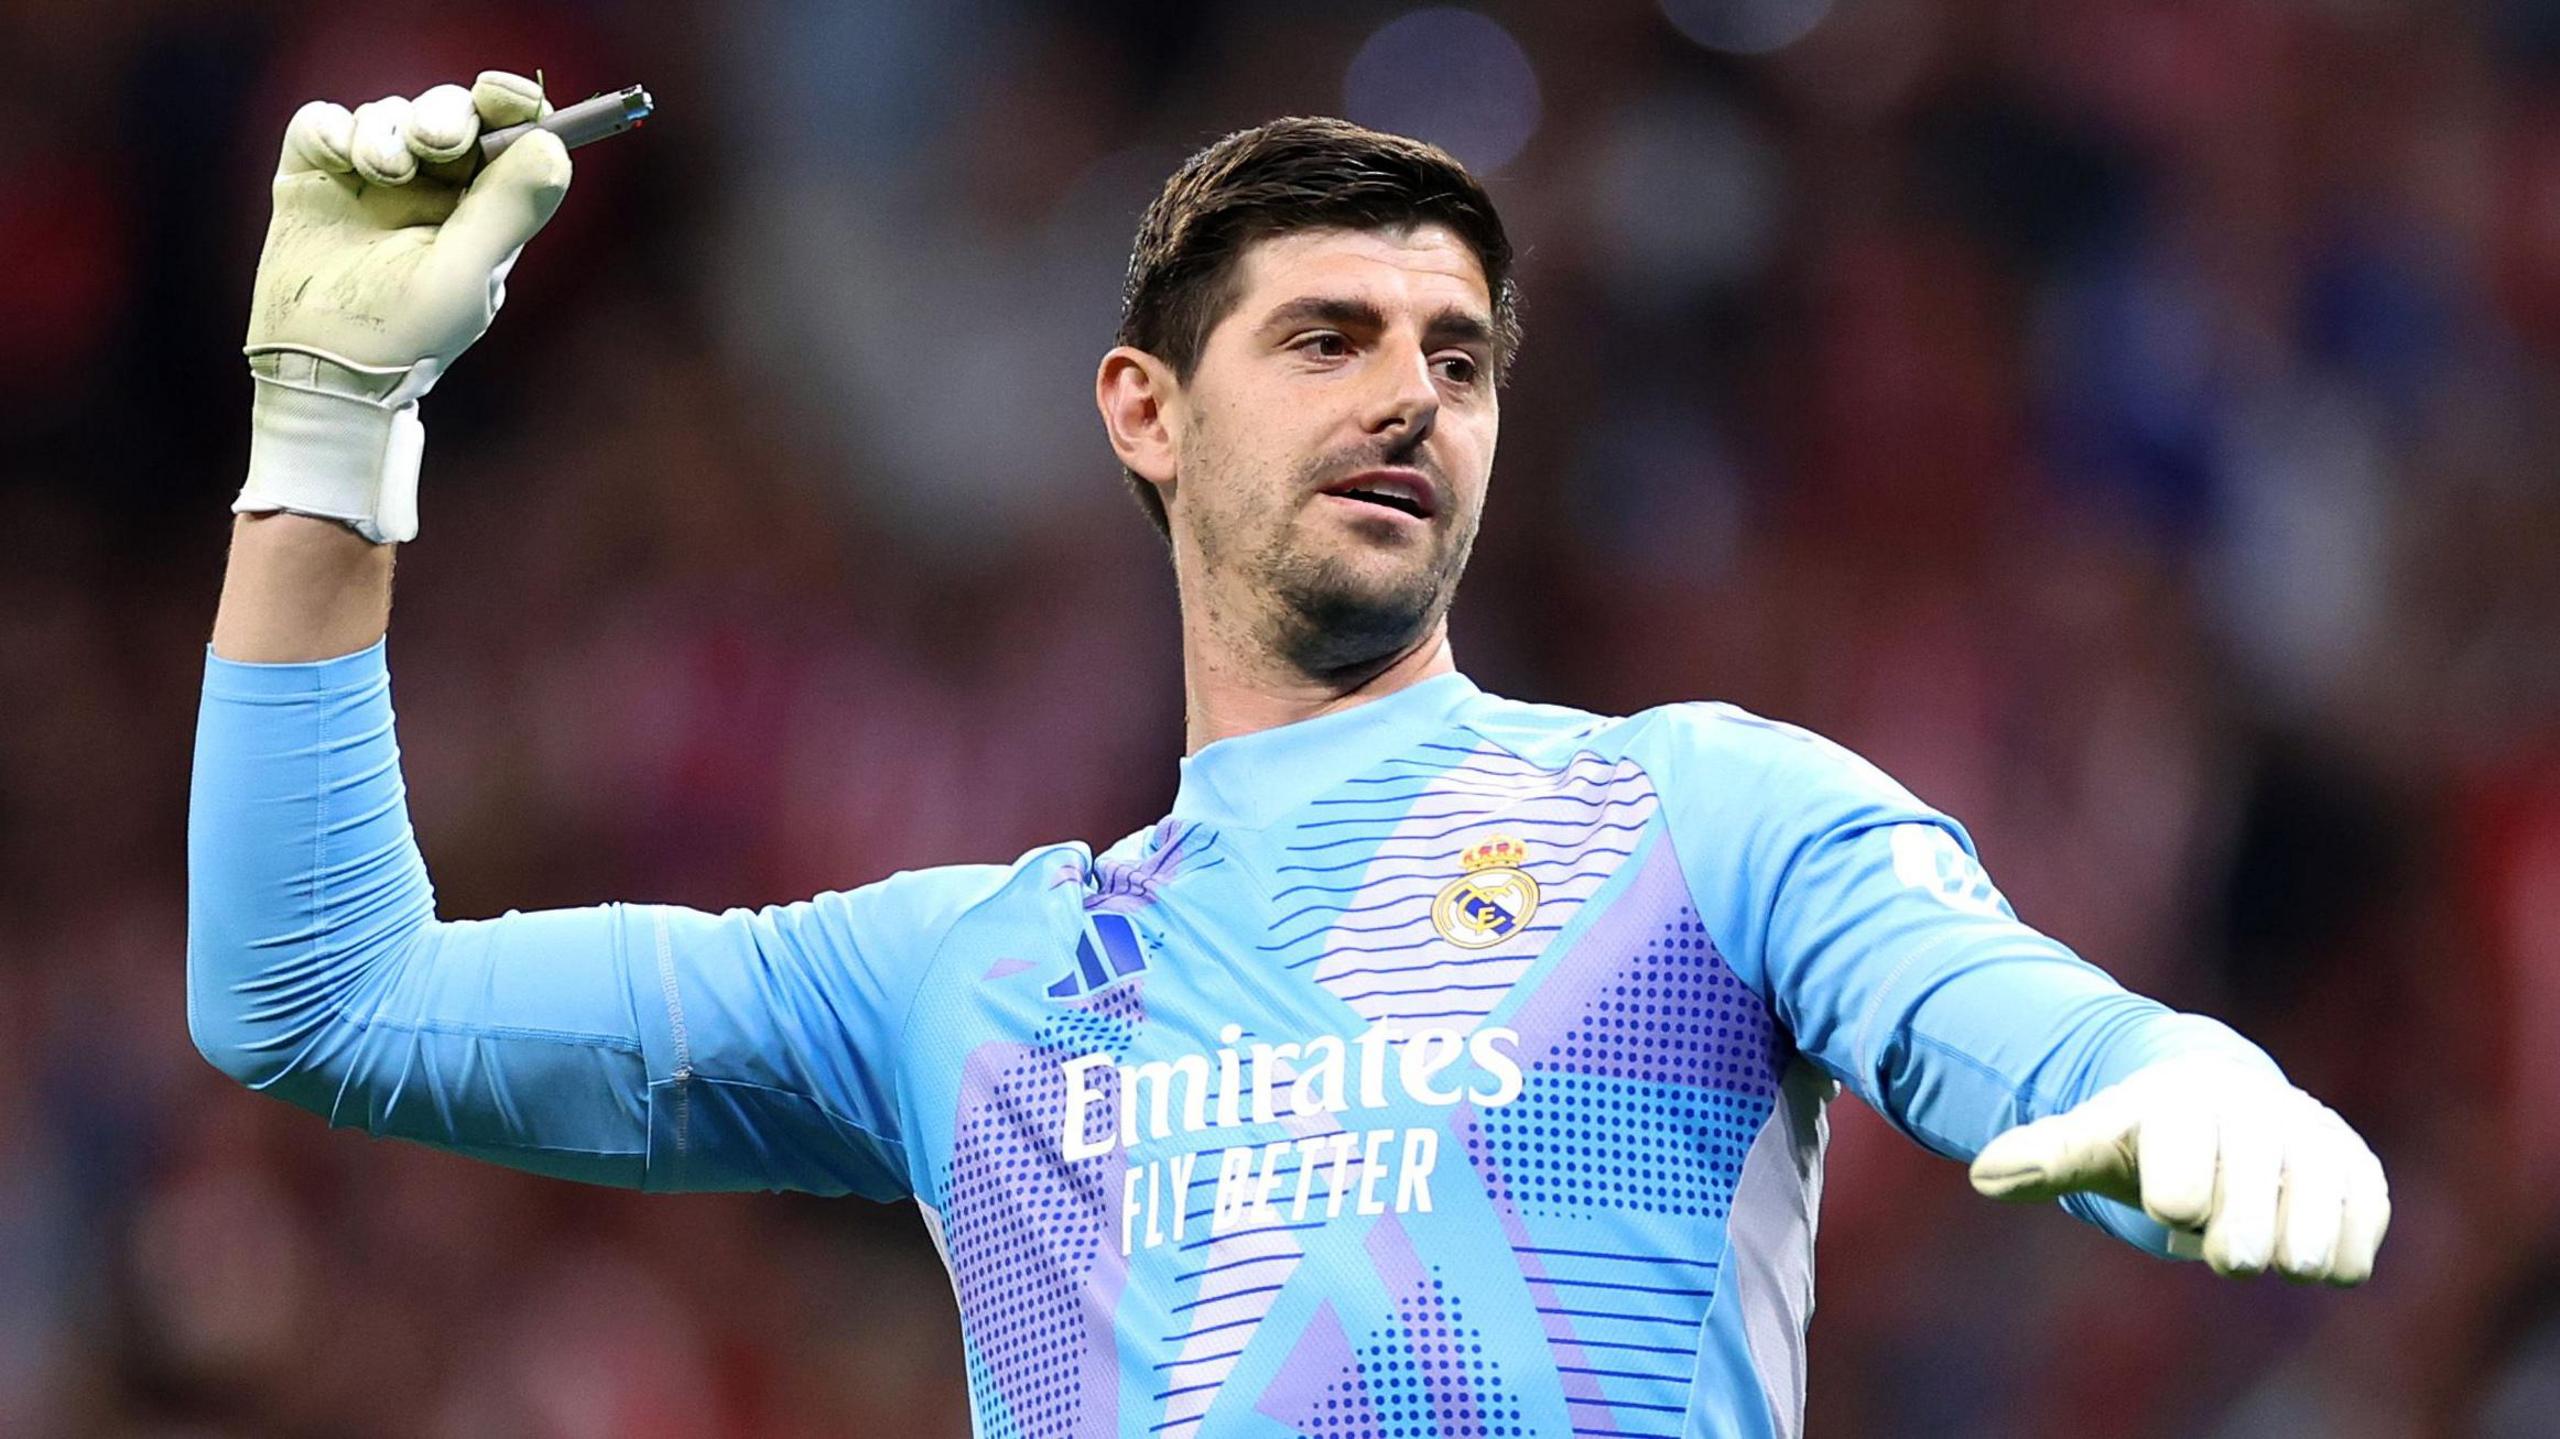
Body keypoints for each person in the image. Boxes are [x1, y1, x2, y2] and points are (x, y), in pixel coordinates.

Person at [190, 71, 2390, 1438]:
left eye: (1456, 358)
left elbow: (1986, 1010)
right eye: (1325, 339)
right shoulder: (961, 976)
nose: (1407, 399)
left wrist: (2170, 1069)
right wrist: (326, 425)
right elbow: (316, 999)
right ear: (1143, 409)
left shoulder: (1703, 813)